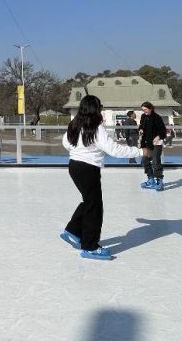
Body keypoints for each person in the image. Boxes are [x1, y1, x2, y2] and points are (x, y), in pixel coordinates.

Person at [60, 95, 141, 261]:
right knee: (95, 207)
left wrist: (79, 150)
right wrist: (139, 151)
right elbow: (114, 150)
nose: (101, 109)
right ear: (94, 109)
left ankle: (73, 230)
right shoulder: (96, 128)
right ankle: (90, 246)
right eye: (100, 106)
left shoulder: (74, 124)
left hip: (74, 166)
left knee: (90, 202)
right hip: (88, 169)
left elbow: (66, 143)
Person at [138, 102, 167, 191]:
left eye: (145, 109)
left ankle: (159, 180)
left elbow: (163, 130)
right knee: (144, 160)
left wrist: (158, 137)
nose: (144, 111)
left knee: (155, 161)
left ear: (150, 108)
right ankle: (151, 179)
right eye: (143, 110)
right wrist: (141, 129)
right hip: (147, 143)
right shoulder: (143, 116)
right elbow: (141, 126)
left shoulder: (157, 117)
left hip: (156, 143)